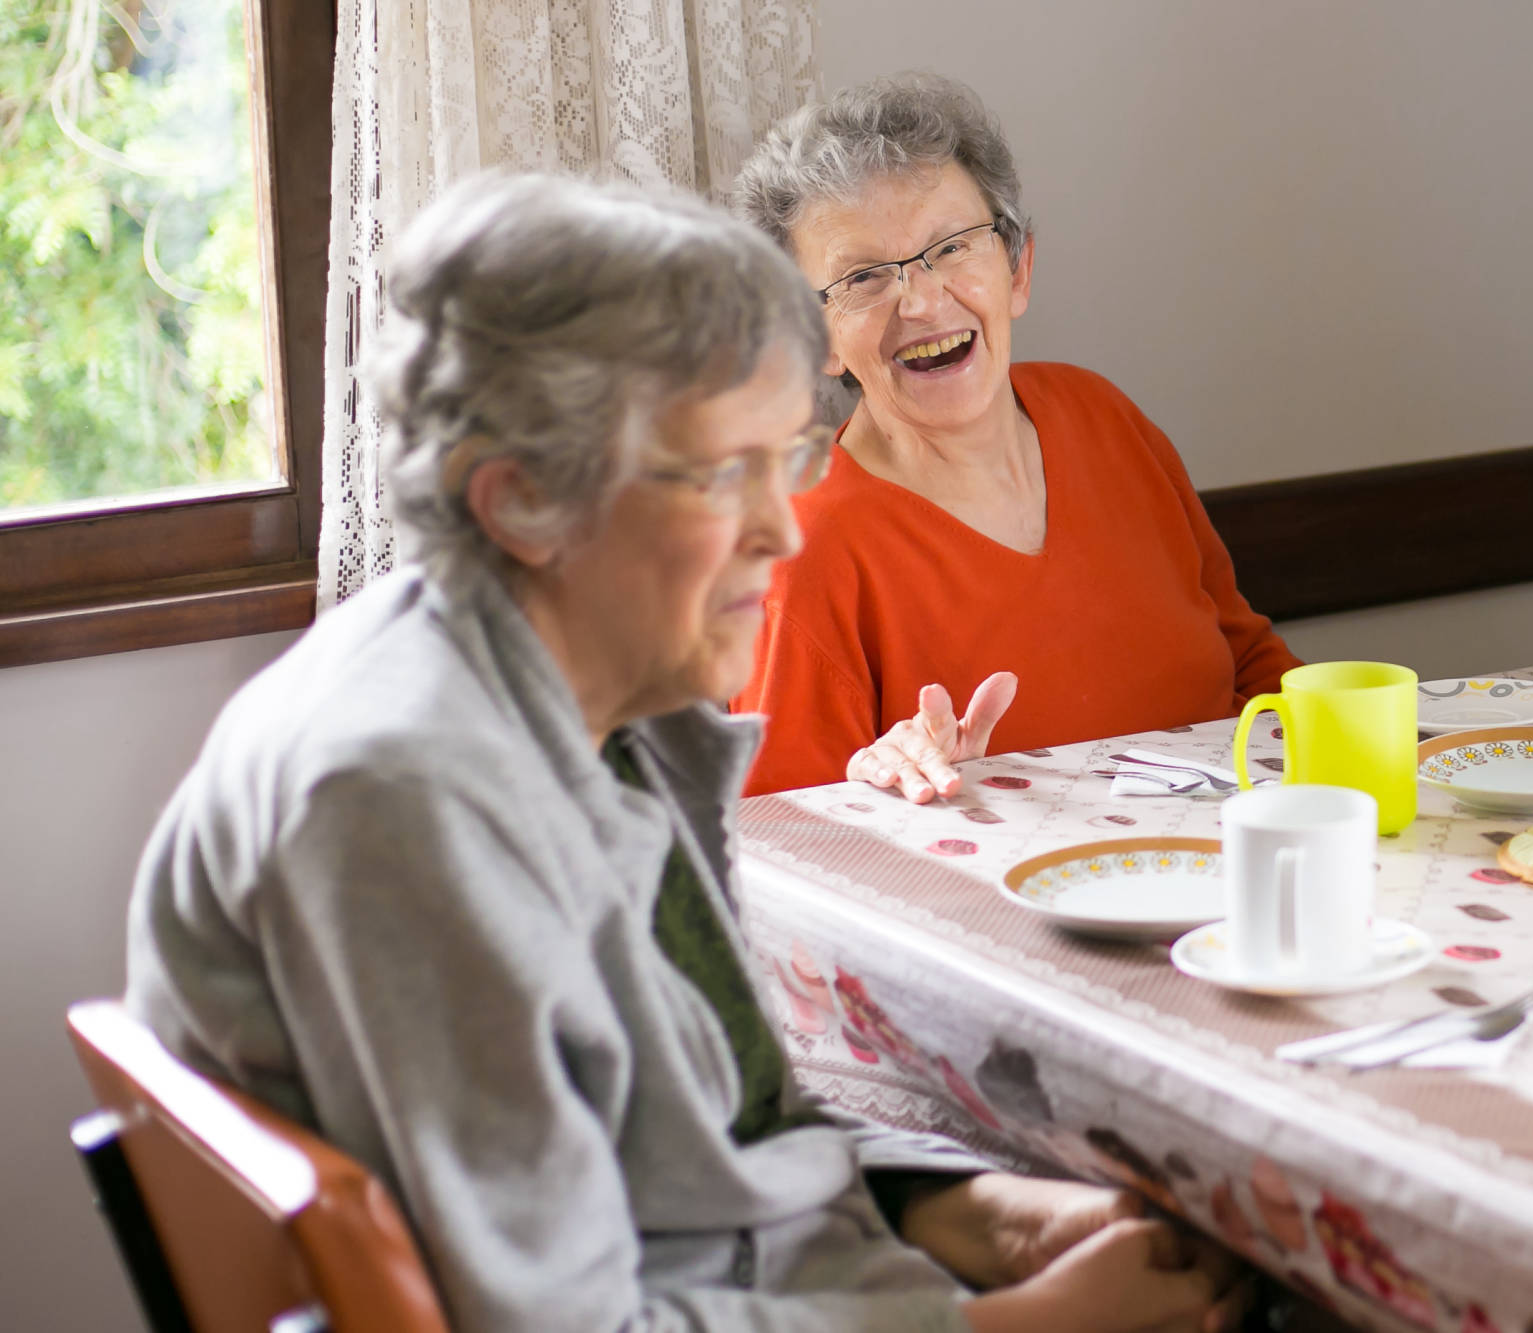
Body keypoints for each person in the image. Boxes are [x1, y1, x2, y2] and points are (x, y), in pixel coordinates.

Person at [123, 171, 1245, 1333]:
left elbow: (710, 1122)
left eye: (787, 458)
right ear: (519, 505)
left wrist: (967, 1210)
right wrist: (1018, 1326)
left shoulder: (615, 700)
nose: (776, 529)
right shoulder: (396, 800)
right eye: (723, 477)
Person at [730, 73, 1302, 801]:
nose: (923, 300)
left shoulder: (1105, 418)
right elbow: (781, 851)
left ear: (1018, 268)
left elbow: (1256, 673)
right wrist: (889, 787)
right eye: (865, 277)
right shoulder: (801, 555)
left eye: (952, 247)